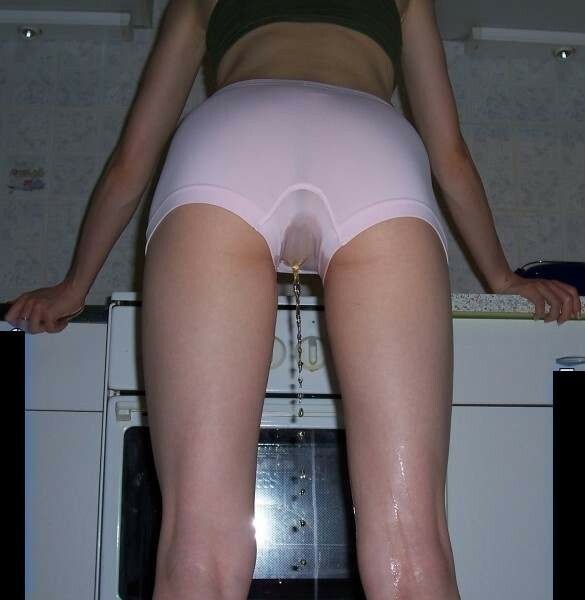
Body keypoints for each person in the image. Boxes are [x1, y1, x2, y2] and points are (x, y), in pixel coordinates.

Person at [5, 0, 581, 598]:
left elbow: (130, 163)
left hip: (231, 141)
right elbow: (451, 158)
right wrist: (502, 277)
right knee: (415, 548)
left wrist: (74, 286)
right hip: (372, 147)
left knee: (198, 546)